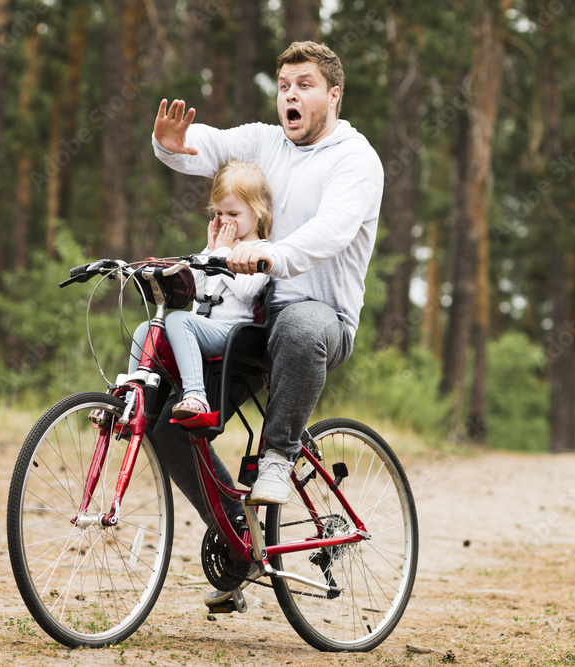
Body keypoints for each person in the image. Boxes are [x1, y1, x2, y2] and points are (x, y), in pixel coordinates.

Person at [150, 41, 384, 605]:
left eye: (304, 85)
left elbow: (331, 231)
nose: (290, 96)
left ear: (333, 94)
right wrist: (170, 146)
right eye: (283, 86)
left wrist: (271, 254)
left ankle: (277, 457)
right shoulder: (265, 142)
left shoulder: (356, 159)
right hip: (251, 319)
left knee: (300, 323)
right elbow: (208, 145)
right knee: (165, 426)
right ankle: (236, 539)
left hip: (318, 319)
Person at [127, 160, 273, 419]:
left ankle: (196, 396)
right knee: (147, 329)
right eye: (219, 214)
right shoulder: (216, 246)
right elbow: (192, 285)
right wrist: (200, 257)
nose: (225, 221)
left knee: (179, 321)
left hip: (232, 333)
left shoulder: (262, 250)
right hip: (200, 328)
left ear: (257, 211)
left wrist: (222, 254)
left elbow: (247, 292)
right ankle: (132, 399)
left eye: (233, 215)